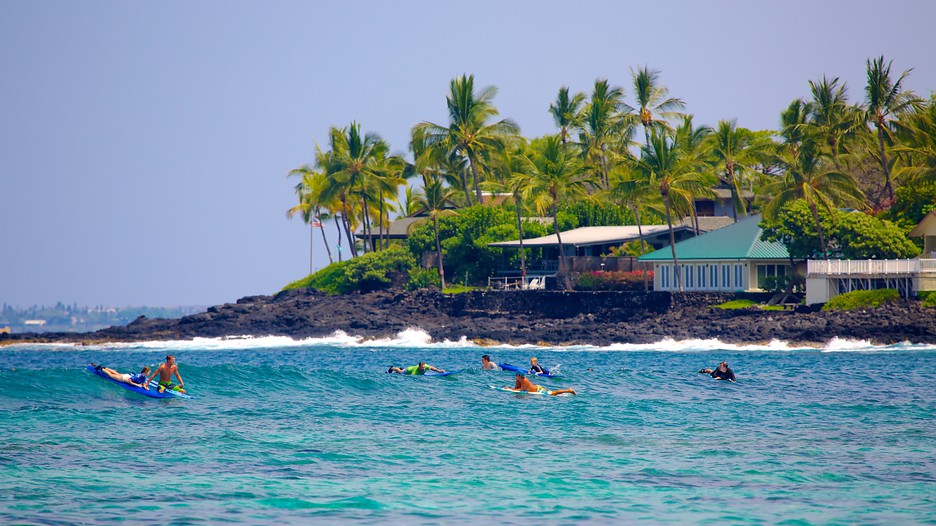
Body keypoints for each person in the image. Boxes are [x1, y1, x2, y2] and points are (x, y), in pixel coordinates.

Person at [505, 373, 576, 396]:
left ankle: (568, 390)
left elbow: (521, 389)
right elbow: (516, 388)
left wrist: (510, 389)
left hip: (539, 390)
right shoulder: (518, 380)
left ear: (520, 376)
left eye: (517, 375)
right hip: (535, 390)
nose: (515, 376)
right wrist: (510, 388)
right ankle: (568, 390)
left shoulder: (524, 380)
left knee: (553, 393)